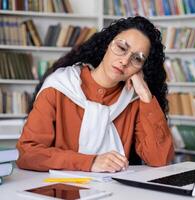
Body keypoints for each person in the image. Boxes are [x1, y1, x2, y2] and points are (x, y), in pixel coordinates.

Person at [16, 16, 174, 173]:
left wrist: (145, 95)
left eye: (137, 59)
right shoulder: (59, 87)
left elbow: (160, 158)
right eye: (121, 48)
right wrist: (90, 162)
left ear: (141, 67)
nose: (125, 61)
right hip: (60, 193)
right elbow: (28, 154)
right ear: (107, 44)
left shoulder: (134, 100)